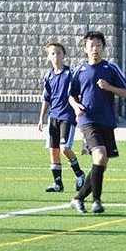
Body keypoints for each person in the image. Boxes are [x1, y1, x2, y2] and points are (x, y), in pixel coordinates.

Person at [68, 31, 126, 214]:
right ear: (85, 49)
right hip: (88, 120)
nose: (95, 49)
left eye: (99, 46)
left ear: (103, 48)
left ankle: (78, 198)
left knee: (101, 163)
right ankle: (96, 201)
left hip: (107, 121)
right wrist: (76, 107)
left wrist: (109, 87)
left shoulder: (111, 68)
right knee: (100, 155)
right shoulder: (79, 70)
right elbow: (71, 95)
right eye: (91, 45)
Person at [37, 42, 86, 193]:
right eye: (52, 53)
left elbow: (78, 93)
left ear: (63, 55)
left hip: (67, 117)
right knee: (54, 150)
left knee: (65, 148)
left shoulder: (70, 74)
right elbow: (46, 98)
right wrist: (41, 118)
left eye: (58, 53)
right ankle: (58, 184)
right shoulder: (48, 76)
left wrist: (79, 110)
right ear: (48, 56)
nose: (55, 56)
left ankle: (80, 174)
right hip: (53, 117)